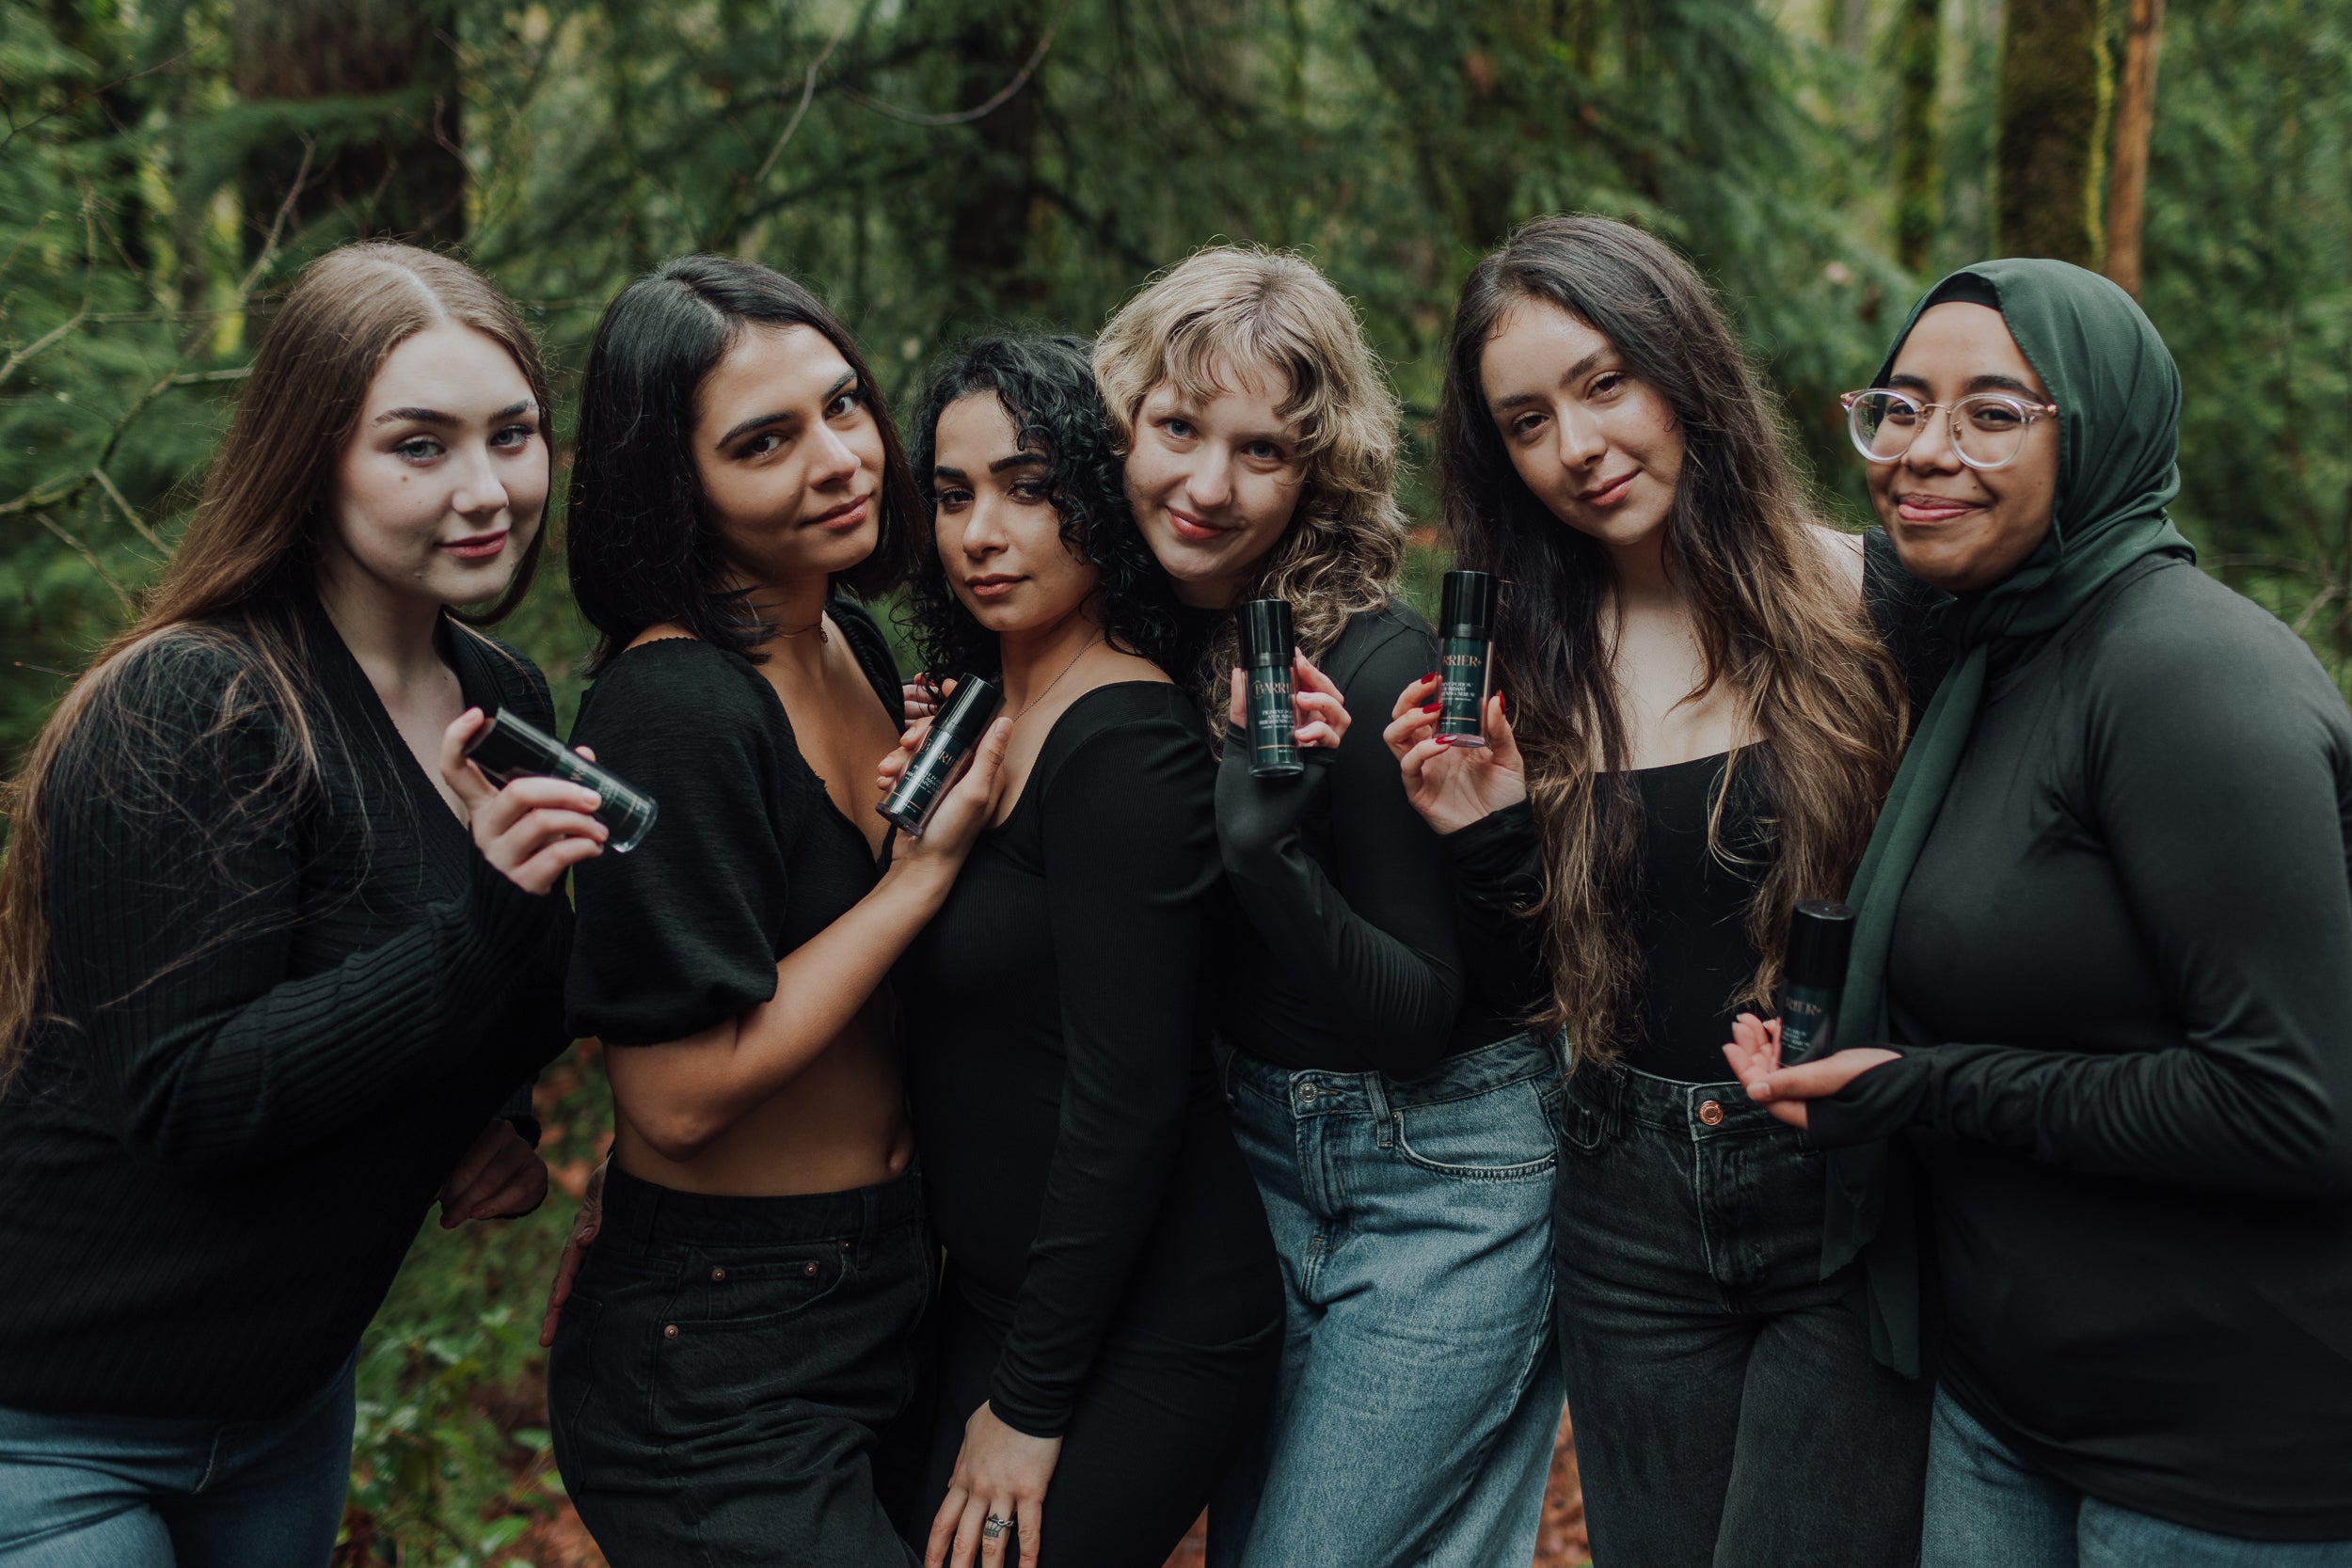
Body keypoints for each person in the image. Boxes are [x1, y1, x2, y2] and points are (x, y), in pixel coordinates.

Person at [1725, 260, 2352, 1563]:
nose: (1921, 451)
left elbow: (2298, 1106)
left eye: (1994, 413)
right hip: (2005, 1414)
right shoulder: (1992, 651)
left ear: (2106, 426)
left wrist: (1926, 1086)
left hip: (2214, 1457)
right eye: (1899, 407)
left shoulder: (2187, 675)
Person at [0, 242, 595, 1564]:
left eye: (514, 434)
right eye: (420, 446)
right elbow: (189, 1099)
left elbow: (433, 993)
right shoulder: (191, 704)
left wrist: (486, 1111)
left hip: (284, 1410)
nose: (488, 489)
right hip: (52, 1427)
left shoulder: (502, 704)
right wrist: (486, 927)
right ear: (310, 456)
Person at [1382, 214, 1943, 1567]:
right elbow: (1526, 988)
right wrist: (1482, 834)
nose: (1576, 446)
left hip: (1845, 1188)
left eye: (1602, 383)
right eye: (1526, 421)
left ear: (1681, 367)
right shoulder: (1520, 664)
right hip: (1624, 1202)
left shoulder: (1875, 600)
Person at [1095, 245, 1567, 1568]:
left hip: (1440, 1170)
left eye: (1260, 451)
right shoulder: (1131, 633)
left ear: (1316, 473)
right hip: (1256, 1162)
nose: (1205, 485)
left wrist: (1268, 855)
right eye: (1179, 428)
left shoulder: (1366, 659)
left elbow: (1416, 1012)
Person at [542, 257, 1008, 1568]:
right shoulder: (671, 708)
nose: (840, 458)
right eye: (764, 442)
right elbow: (675, 1098)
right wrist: (918, 879)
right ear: (672, 486)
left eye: (843, 406)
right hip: (725, 1346)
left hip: (889, 1290)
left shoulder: (846, 641)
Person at [887, 335, 1281, 1568]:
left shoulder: (1125, 743)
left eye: (1028, 486)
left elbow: (1128, 1099)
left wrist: (1030, 1405)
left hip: (1151, 1322)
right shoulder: (981, 716)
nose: (980, 534)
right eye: (953, 496)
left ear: (1097, 500)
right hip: (999, 1298)